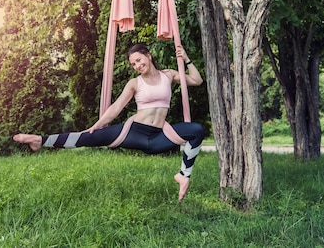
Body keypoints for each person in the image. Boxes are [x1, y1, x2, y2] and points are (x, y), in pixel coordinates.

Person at [13, 43, 206, 201]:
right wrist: (98, 124)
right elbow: (116, 107)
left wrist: (186, 59)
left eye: (139, 60)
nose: (137, 66)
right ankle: (40, 140)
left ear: (148, 55)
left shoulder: (169, 75)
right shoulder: (135, 83)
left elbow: (197, 80)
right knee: (88, 137)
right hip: (135, 133)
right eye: (133, 64)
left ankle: (183, 175)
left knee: (197, 130)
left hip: (159, 137)